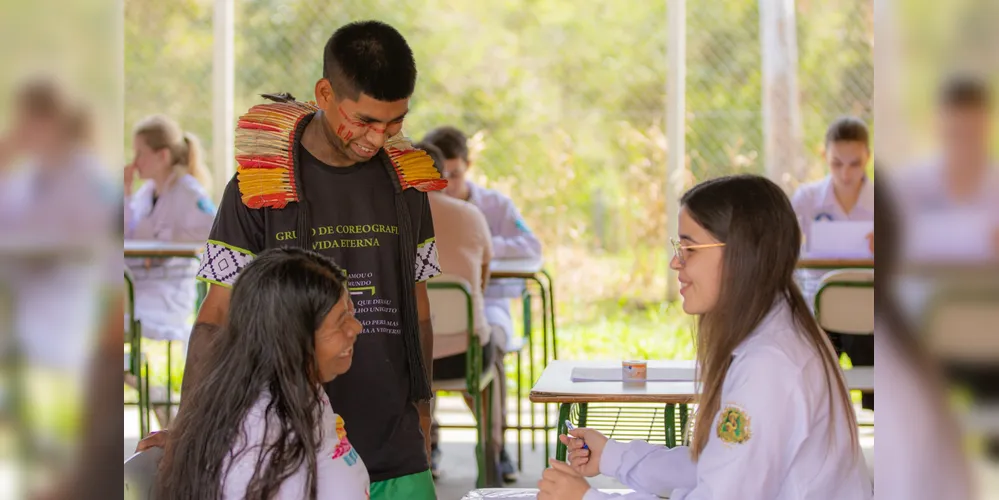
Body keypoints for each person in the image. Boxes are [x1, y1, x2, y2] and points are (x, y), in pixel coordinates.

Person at [138, 21, 444, 500]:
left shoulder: (407, 184)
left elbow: (419, 309)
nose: (378, 139)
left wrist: (424, 407)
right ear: (325, 92)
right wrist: (188, 424)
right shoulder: (259, 187)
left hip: (396, 450)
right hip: (288, 453)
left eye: (395, 122)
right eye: (363, 120)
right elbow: (216, 318)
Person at [539, 175, 872, 500]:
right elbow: (717, 466)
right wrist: (614, 456)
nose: (675, 262)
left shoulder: (769, 365)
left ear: (742, 254)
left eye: (690, 248)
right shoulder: (775, 334)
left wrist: (584, 498)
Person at [155, 248, 366, 500]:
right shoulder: (257, 442)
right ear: (292, 337)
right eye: (341, 320)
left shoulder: (303, 392)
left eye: (351, 313)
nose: (357, 327)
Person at [423, 125, 541, 480]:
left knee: (485, 342)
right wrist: (475, 247)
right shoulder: (471, 218)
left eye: (456, 175)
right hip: (468, 323)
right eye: (446, 176)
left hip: (483, 308)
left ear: (466, 167)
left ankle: (491, 444)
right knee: (480, 352)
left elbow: (531, 247)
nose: (451, 184)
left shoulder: (494, 205)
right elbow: (484, 277)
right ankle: (478, 448)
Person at [416, 142, 504, 484]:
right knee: (491, 353)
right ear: (441, 176)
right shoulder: (470, 215)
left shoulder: (391, 220)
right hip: (464, 356)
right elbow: (481, 284)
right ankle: (491, 452)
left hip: (412, 359)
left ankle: (425, 450)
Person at [790, 116, 875, 409]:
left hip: (868, 306)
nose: (846, 172)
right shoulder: (807, 198)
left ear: (868, 157)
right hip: (817, 305)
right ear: (825, 156)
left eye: (855, 163)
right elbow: (782, 246)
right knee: (814, 374)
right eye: (837, 163)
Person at [124, 115, 216, 343]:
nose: (134, 163)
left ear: (162, 155)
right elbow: (126, 234)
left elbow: (213, 233)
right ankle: (128, 375)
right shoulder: (146, 193)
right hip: (138, 284)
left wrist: (168, 249)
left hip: (167, 293)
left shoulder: (188, 192)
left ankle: (128, 375)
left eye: (140, 154)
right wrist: (125, 192)